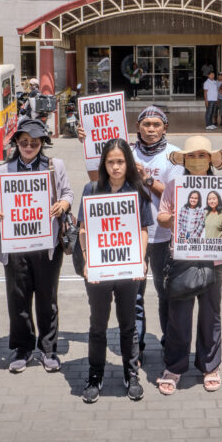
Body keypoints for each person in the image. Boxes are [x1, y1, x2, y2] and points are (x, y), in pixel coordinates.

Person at [156, 136, 222, 395]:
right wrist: (169, 219)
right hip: (181, 258)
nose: (197, 160)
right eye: (192, 156)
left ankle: (210, 366)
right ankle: (174, 367)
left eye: (202, 155)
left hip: (214, 259)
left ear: (210, 160)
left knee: (210, 314)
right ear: (184, 160)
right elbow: (161, 216)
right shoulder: (173, 186)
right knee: (178, 315)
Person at [77, 138, 153, 403]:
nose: (116, 167)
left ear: (128, 163)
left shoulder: (137, 190)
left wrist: (141, 260)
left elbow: (143, 229)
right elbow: (83, 230)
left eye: (120, 161)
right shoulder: (91, 189)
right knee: (98, 326)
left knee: (128, 325)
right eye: (111, 162)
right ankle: (95, 375)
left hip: (128, 269)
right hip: (99, 269)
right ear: (104, 163)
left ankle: (131, 375)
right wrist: (87, 259)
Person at [0, 118, 74, 373]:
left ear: (43, 143)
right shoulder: (4, 170)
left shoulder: (55, 166)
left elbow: (68, 193)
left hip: (47, 243)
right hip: (16, 243)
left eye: (35, 142)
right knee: (18, 298)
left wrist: (63, 204)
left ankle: (48, 349)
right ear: (17, 142)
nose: (29, 147)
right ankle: (23, 347)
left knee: (46, 299)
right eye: (25, 142)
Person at [130, 105, 182, 364]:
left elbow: (176, 199)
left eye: (156, 125)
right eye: (146, 125)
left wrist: (146, 179)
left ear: (165, 128)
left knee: (165, 294)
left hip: (163, 236)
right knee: (134, 294)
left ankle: (168, 342)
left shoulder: (174, 156)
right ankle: (136, 346)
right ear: (138, 126)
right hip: (132, 236)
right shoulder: (126, 153)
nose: (151, 130)